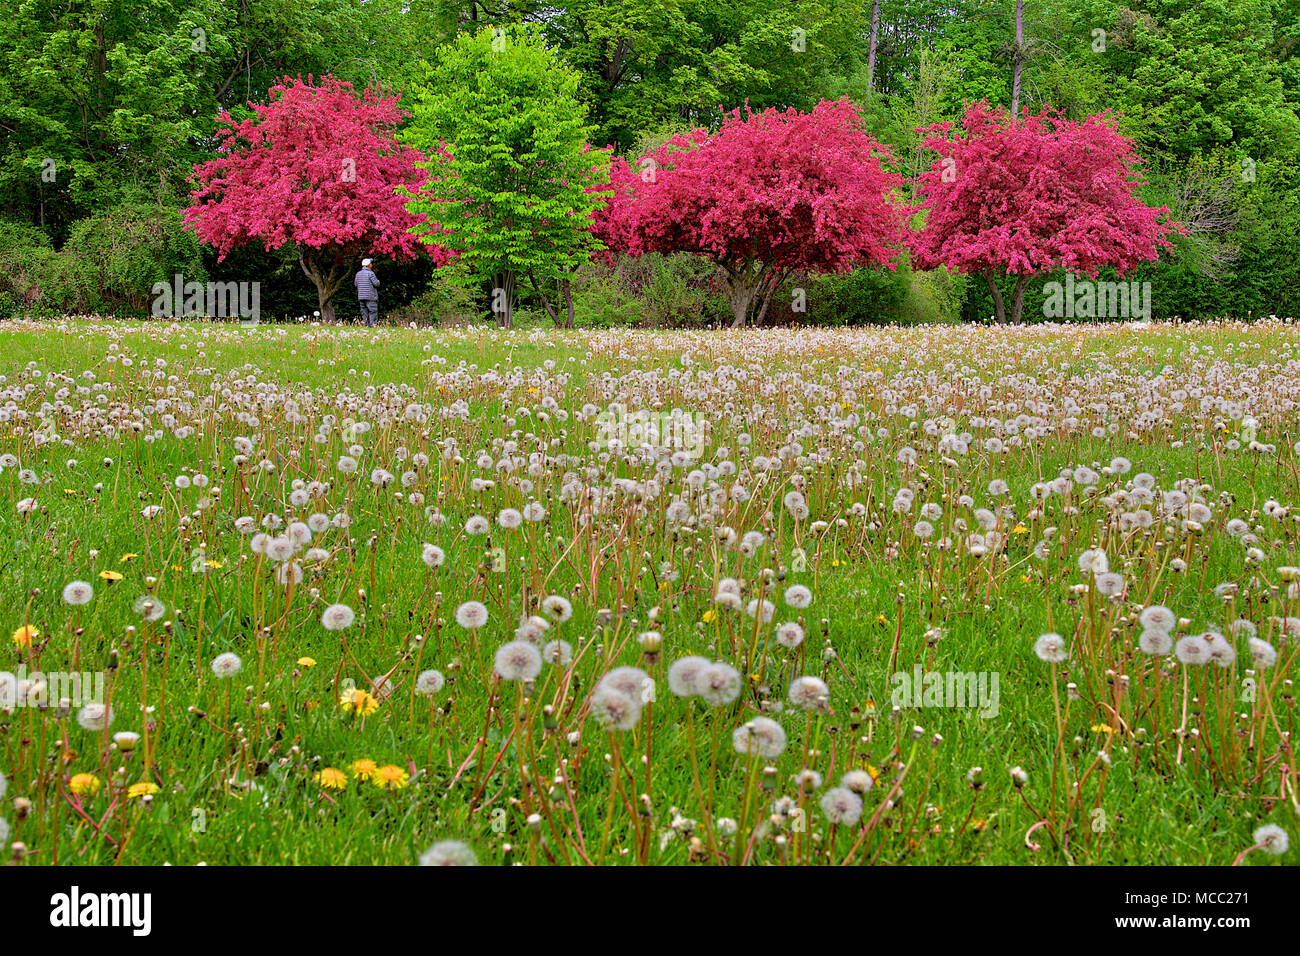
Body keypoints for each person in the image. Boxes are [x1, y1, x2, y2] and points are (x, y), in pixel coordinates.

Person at [355, 258, 380, 326]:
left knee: (364, 312)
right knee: (373, 311)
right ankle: (373, 325)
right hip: (370, 296)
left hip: (361, 296)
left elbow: (355, 284)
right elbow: (376, 284)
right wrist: (378, 281)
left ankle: (366, 325)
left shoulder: (358, 274)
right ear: (368, 265)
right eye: (371, 263)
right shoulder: (371, 273)